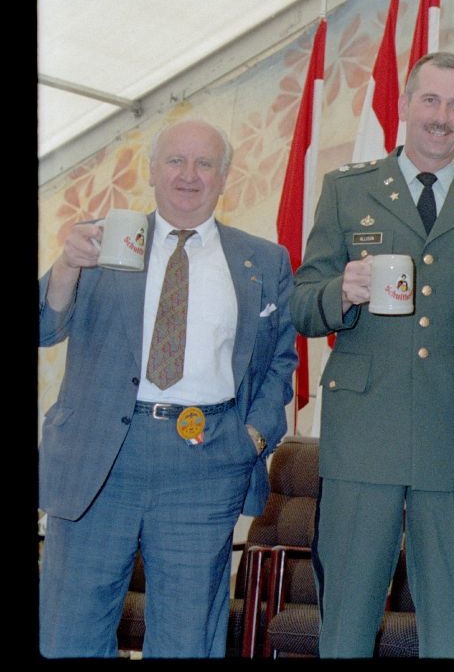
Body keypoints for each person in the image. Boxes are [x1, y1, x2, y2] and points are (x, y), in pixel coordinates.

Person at [38, 119, 298, 657]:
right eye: (175, 161)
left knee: (186, 640)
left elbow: (280, 361)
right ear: (152, 171)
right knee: (70, 631)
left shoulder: (263, 260)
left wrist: (252, 437)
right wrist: (65, 266)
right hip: (98, 460)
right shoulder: (102, 240)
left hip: (205, 465)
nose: (189, 175)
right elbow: (44, 326)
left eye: (205, 163)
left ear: (225, 176)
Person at [291, 51, 454, 657]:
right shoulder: (347, 191)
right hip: (365, 430)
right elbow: (302, 303)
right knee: (346, 619)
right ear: (407, 105)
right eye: (431, 100)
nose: (442, 117)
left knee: (449, 622)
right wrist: (341, 292)